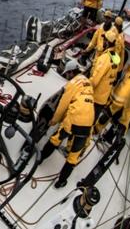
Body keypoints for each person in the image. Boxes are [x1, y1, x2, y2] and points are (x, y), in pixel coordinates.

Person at [39, 59, 94, 188]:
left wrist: (55, 120)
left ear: (70, 72)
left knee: (55, 139)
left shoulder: (72, 83)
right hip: (88, 121)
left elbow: (63, 105)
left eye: (67, 74)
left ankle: (40, 159)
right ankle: (61, 182)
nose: (66, 76)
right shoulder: (88, 82)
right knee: (73, 157)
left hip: (74, 118)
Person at [90, 28, 121, 123]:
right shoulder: (116, 58)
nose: (103, 41)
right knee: (91, 123)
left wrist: (84, 89)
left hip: (94, 97)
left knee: (85, 121)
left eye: (105, 39)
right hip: (103, 99)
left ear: (107, 42)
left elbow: (95, 80)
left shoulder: (105, 58)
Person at [95, 63, 130, 139]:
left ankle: (99, 131)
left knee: (110, 114)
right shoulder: (129, 71)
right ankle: (109, 136)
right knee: (122, 122)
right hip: (124, 102)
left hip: (120, 100)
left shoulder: (129, 72)